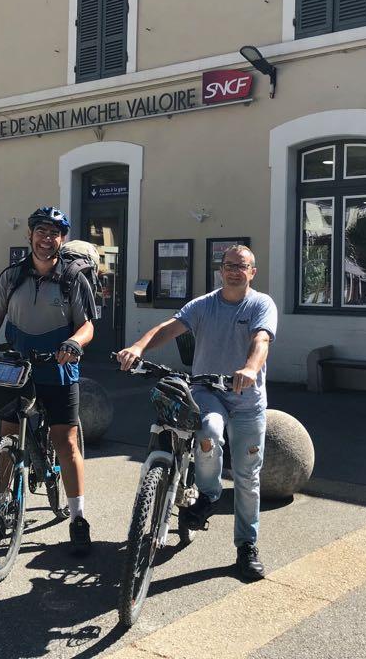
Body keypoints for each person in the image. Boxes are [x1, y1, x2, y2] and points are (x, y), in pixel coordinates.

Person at [116, 244, 276, 581]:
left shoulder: (261, 304)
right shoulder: (204, 305)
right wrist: (138, 347)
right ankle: (210, 495)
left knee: (248, 477)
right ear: (221, 270)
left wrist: (249, 368)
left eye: (242, 266)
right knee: (208, 432)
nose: (234, 271)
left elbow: (261, 341)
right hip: (208, 391)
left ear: (252, 272)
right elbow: (169, 327)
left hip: (248, 399)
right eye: (229, 265)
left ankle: (246, 546)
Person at [0, 206, 96, 555]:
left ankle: (78, 519)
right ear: (30, 235)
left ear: (62, 239)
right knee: (7, 437)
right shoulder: (12, 277)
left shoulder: (73, 278)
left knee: (66, 441)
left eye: (54, 232)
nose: (47, 238)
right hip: (17, 366)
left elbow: (87, 326)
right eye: (41, 230)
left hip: (58, 367)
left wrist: (73, 342)